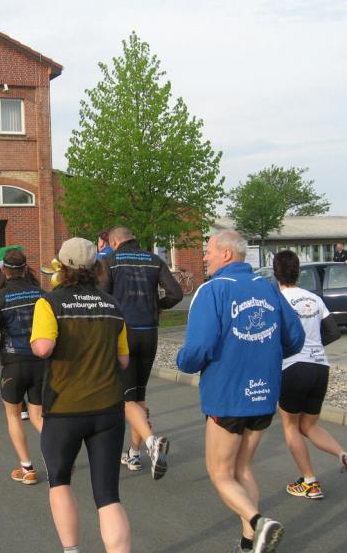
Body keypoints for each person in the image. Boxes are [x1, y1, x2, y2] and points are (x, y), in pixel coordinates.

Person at [176, 231, 305, 553]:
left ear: (226, 254)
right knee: (243, 468)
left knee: (220, 473)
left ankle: (258, 521)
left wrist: (183, 361)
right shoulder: (268, 287)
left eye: (208, 251)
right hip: (264, 393)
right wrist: (264, 354)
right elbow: (295, 338)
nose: (204, 256)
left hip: (227, 395)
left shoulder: (213, 290)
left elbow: (199, 347)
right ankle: (251, 542)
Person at [31, 237, 131, 553]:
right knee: (108, 495)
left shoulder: (49, 302)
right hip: (108, 407)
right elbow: (123, 360)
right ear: (94, 266)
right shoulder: (112, 304)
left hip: (65, 408)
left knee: (60, 481)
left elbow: (43, 347)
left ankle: (71, 550)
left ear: (61, 266)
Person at [273, 250, 347, 500]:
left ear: (275, 273)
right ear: (298, 272)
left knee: (291, 427)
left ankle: (310, 482)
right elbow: (334, 332)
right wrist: (314, 346)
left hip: (293, 367)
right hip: (320, 367)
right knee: (309, 425)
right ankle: (344, 455)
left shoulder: (277, 300)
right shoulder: (313, 298)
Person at [99, 226, 181, 479]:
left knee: (125, 397)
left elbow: (102, 296)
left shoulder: (110, 261)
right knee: (139, 395)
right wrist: (157, 305)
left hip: (123, 333)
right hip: (149, 333)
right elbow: (176, 293)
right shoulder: (154, 260)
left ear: (114, 241)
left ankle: (151, 442)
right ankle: (134, 454)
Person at [0, 249, 45, 485]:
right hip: (41, 361)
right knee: (38, 416)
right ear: (26, 269)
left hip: (13, 362)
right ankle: (61, 459)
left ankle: (27, 468)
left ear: (4, 271)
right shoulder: (42, 295)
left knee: (14, 414)